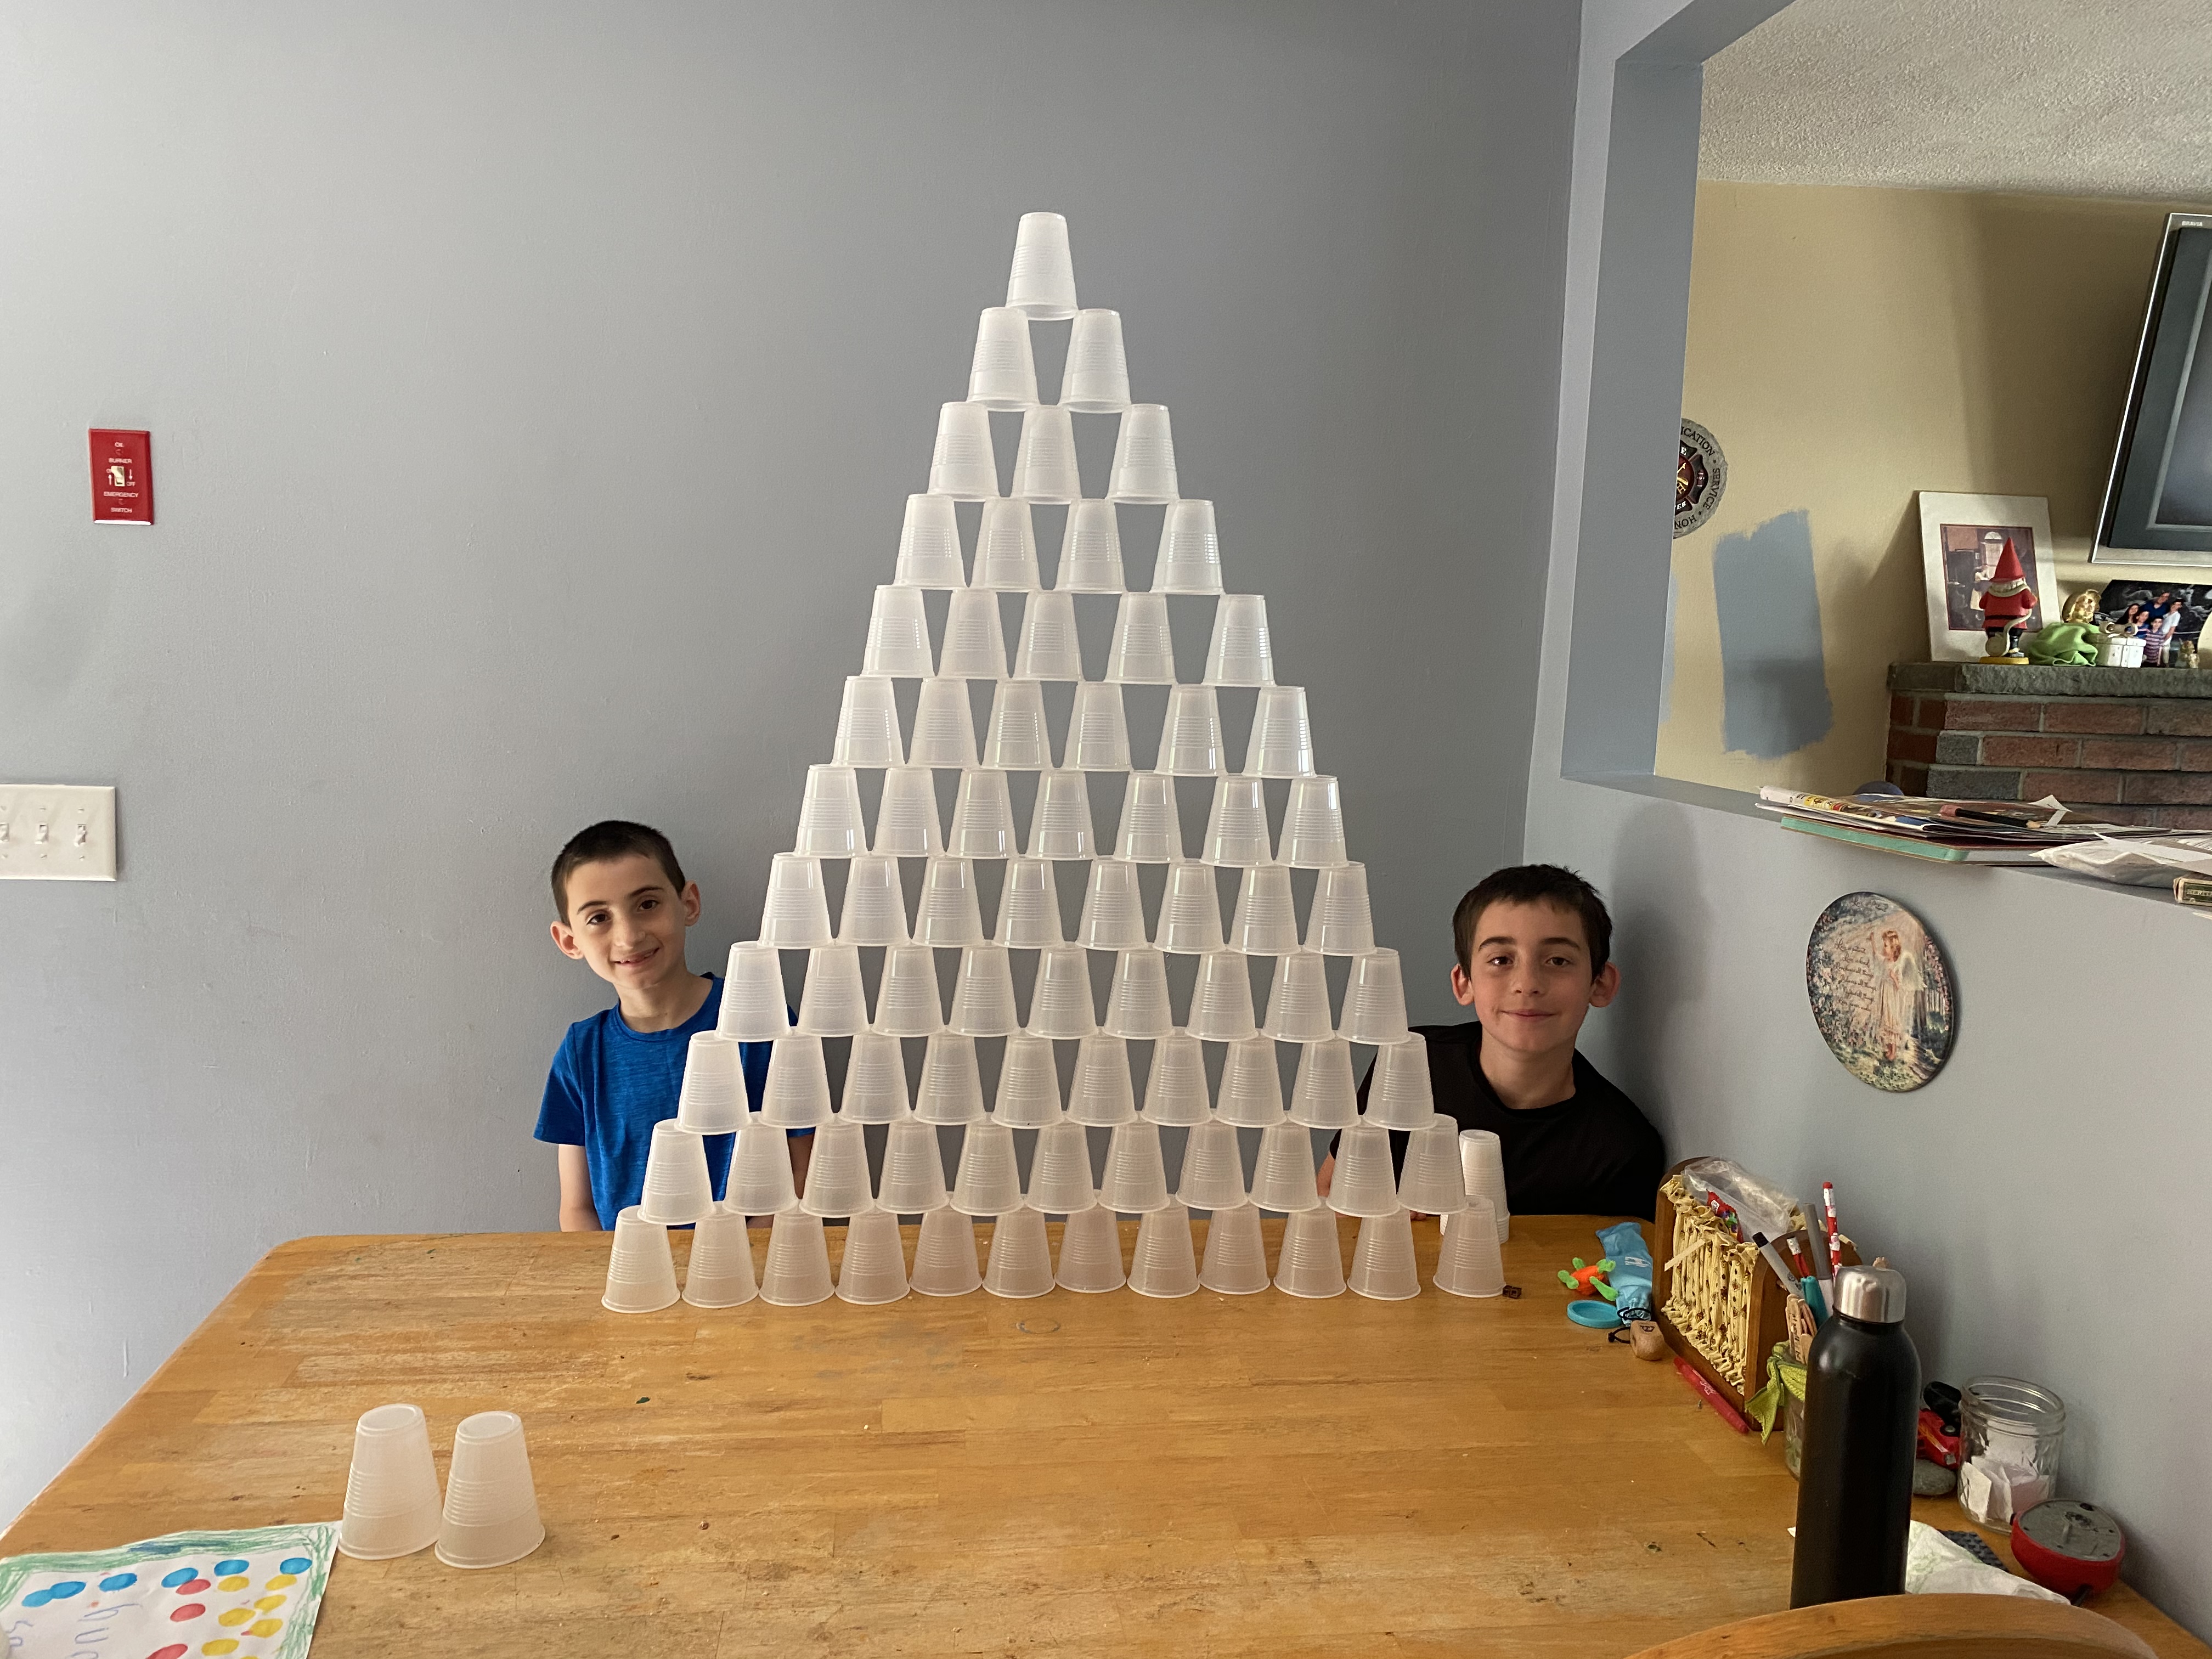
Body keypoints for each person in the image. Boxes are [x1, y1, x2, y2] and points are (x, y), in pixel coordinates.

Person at [1319, 864, 1664, 1218]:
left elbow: (1615, 1252)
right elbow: (1328, 1193)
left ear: (1600, 983)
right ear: (1464, 983)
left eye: (1558, 961)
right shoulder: (1411, 1065)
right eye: (1501, 960)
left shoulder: (1621, 1147)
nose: (1527, 984)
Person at [534, 821, 806, 1231]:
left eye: (647, 905)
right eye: (599, 918)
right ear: (570, 941)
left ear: (689, 904)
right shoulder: (581, 1053)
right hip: (626, 1267)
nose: (629, 937)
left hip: (752, 1261)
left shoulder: (760, 1022)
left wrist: (746, 1256)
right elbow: (578, 1208)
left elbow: (803, 1168)